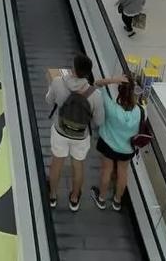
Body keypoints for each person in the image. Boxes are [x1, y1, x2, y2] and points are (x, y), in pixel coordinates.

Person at [45, 54, 104, 211]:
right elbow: (99, 121)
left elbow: (49, 101)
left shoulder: (58, 82)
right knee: (78, 165)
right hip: (80, 136)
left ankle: (52, 196)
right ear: (87, 73)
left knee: (57, 163)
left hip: (60, 131)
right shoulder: (95, 94)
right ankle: (74, 199)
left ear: (73, 68)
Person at [90, 77, 143, 212]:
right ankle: (117, 201)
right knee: (123, 173)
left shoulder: (111, 107)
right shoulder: (141, 111)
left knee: (106, 171)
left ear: (120, 91)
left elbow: (96, 84)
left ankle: (101, 198)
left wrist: (114, 79)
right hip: (127, 149)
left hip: (108, 144)